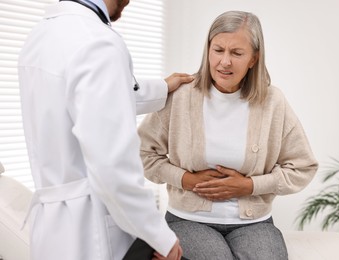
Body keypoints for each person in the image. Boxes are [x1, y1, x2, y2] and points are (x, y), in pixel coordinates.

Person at [17, 0, 194, 259]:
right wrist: (161, 236)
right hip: (91, 231)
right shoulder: (98, 43)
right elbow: (113, 166)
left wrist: (162, 87)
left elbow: (89, 100)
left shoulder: (42, 35)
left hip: (51, 230)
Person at [138, 10, 319, 260]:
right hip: (189, 220)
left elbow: (303, 166)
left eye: (236, 53)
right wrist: (186, 179)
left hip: (254, 222)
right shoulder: (180, 96)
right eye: (218, 50)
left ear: (253, 58)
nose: (225, 61)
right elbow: (142, 154)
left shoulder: (273, 102)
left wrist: (250, 185)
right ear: (208, 50)